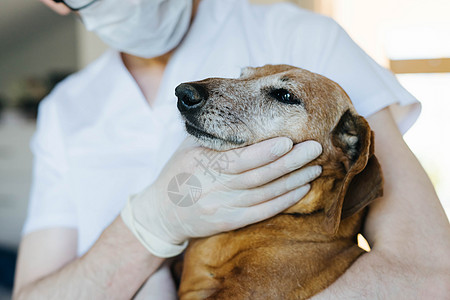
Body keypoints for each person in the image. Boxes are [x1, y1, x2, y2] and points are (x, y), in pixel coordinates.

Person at [13, 0, 450, 299]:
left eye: (281, 97)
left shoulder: (306, 38)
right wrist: (149, 225)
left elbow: (433, 275)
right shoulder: (64, 109)